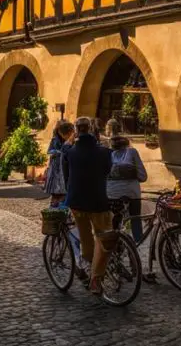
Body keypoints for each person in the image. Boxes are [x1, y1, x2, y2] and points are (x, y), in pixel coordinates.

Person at [61, 116, 113, 295]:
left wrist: (70, 140)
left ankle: (89, 268)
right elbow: (107, 171)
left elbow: (65, 153)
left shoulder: (70, 151)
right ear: (91, 129)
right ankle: (96, 278)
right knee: (104, 239)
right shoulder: (104, 152)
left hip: (76, 202)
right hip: (98, 201)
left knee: (86, 239)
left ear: (76, 130)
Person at [106, 134, 148, 242]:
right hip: (132, 192)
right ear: (127, 144)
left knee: (114, 220)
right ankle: (137, 242)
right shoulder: (132, 152)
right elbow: (143, 176)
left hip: (112, 193)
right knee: (135, 218)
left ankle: (115, 243)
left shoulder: (107, 154)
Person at [43, 120, 73, 202]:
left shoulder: (71, 140)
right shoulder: (55, 140)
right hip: (56, 167)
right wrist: (58, 152)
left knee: (64, 190)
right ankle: (54, 207)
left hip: (66, 166)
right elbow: (49, 151)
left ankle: (60, 207)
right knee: (55, 190)